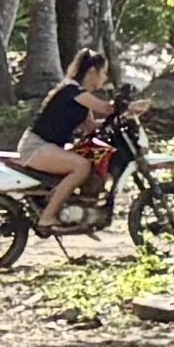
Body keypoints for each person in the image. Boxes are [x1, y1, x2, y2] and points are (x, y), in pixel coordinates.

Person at [22, 50, 131, 223]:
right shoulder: (73, 91)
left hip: (50, 148)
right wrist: (130, 107)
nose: (104, 78)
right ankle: (47, 217)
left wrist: (123, 119)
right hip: (37, 147)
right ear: (92, 72)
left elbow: (91, 127)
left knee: (89, 160)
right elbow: (106, 109)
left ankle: (78, 214)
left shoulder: (80, 97)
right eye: (103, 73)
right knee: (82, 167)